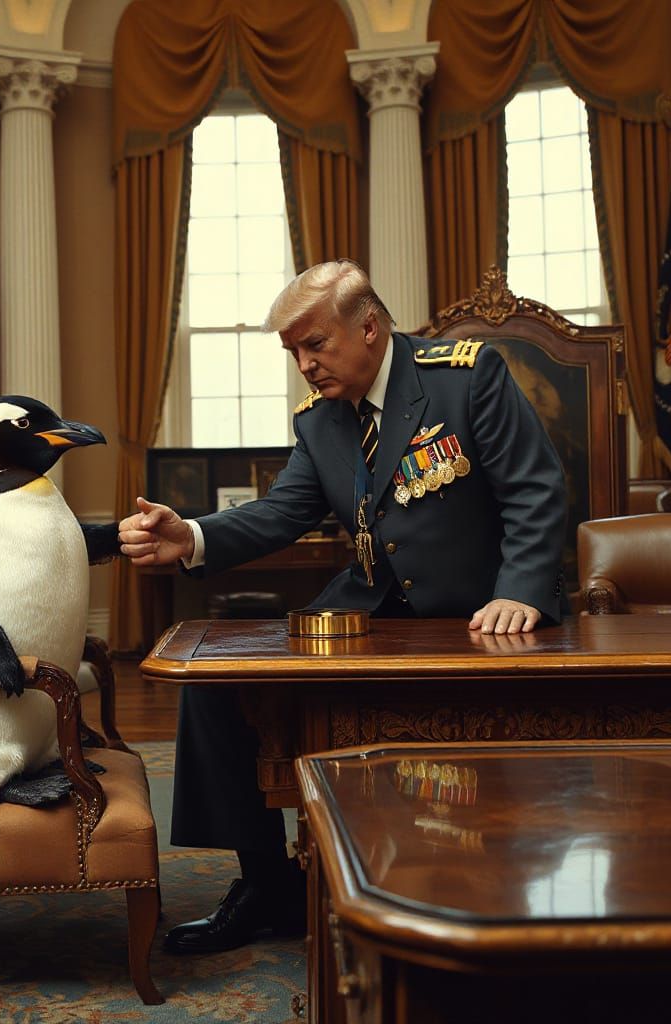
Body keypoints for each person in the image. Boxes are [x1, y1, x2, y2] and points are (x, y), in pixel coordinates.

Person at [118, 260, 567, 955]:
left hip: (477, 613)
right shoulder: (322, 421)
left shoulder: (466, 376)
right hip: (368, 614)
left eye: (314, 344)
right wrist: (192, 537)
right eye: (293, 351)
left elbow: (535, 491)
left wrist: (520, 591)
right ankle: (268, 886)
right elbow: (280, 513)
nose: (304, 364)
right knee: (214, 684)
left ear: (369, 326)